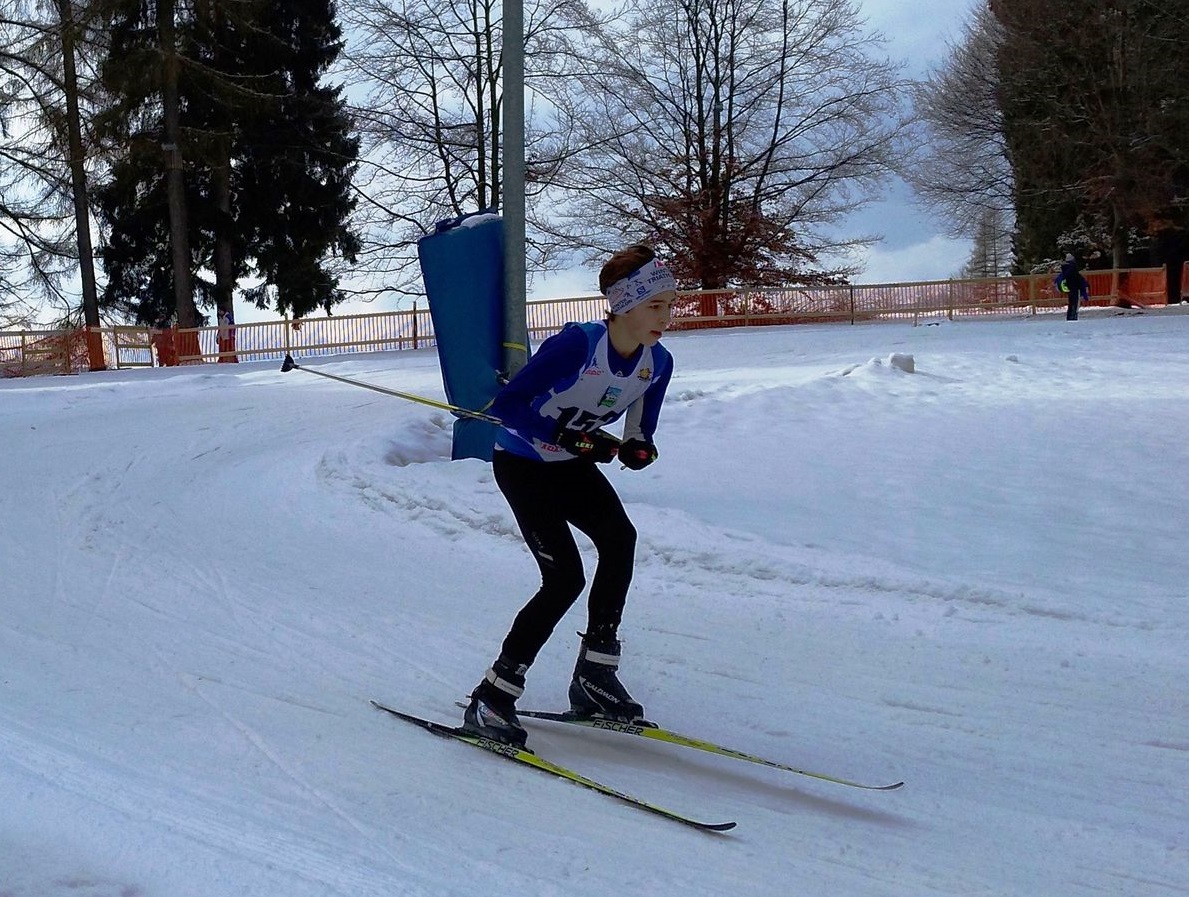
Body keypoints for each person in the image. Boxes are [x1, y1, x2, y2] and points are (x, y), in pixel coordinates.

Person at [461, 243, 678, 747]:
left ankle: (594, 676)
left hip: (570, 465)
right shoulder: (578, 346)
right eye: (656, 306)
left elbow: (641, 427)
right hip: (523, 463)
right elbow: (510, 404)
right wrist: (570, 438)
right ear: (624, 305)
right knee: (563, 579)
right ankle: (492, 696)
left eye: (669, 305)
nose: (666, 317)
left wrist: (637, 448)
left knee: (620, 539)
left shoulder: (657, 363)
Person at [1057, 253, 1089, 320]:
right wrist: (1084, 293)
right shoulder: (1073, 269)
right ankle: (1073, 317)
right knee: (1075, 304)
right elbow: (1079, 281)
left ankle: (1070, 317)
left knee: (1071, 303)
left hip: (1069, 289)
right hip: (1075, 289)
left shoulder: (1065, 269)